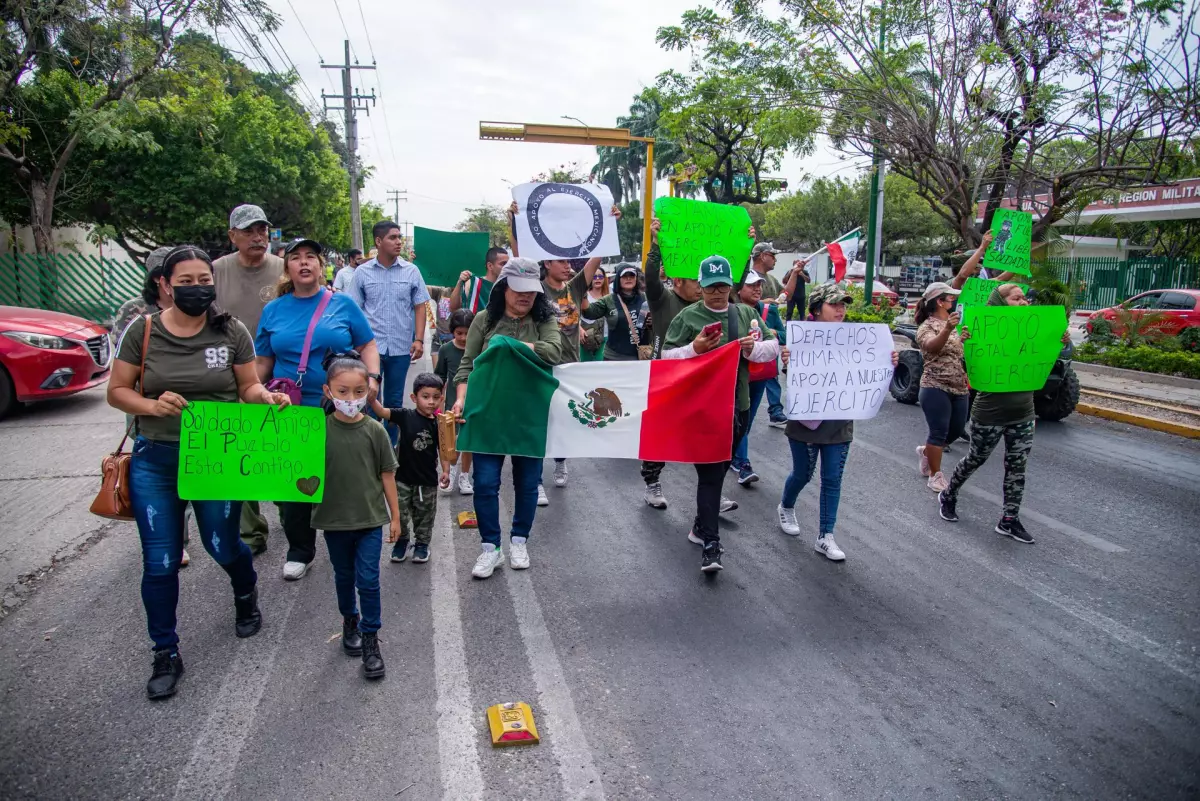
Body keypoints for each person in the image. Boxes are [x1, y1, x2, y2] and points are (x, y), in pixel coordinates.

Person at [107, 245, 291, 700]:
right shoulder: (142, 331)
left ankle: (245, 591)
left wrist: (266, 398)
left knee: (221, 544)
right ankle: (165, 651)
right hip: (156, 460)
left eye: (203, 280)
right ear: (164, 285)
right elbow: (116, 391)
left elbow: (248, 386)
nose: (196, 289)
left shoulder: (232, 332)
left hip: (217, 458)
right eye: (184, 282)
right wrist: (151, 404)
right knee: (161, 560)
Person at [254, 238, 380, 581]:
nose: (304, 263)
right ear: (288, 267)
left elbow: (367, 344)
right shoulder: (273, 310)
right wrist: (250, 395)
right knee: (294, 485)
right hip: (288, 411)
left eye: (311, 257)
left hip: (340, 408)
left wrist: (373, 378)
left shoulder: (342, 304)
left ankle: (351, 542)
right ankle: (300, 550)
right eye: (296, 258)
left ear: (322, 265)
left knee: (345, 479)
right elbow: (263, 360)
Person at [661, 254, 785, 573]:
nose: (717, 292)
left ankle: (700, 527)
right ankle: (712, 544)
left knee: (719, 470)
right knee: (712, 474)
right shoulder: (688, 317)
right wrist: (696, 349)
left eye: (722, 286)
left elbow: (772, 346)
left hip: (737, 407)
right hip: (701, 410)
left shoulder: (744, 312)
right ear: (701, 288)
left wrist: (750, 349)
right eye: (711, 287)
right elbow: (667, 357)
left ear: (731, 286)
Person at [451, 258, 561, 579]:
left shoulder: (544, 320)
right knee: (485, 484)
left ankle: (519, 541)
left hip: (530, 414)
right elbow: (467, 364)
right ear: (503, 288)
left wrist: (511, 344)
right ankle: (490, 548)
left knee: (528, 484)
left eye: (531, 291)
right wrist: (460, 400)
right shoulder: (484, 320)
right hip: (487, 411)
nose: (526, 297)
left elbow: (554, 352)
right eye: (519, 290)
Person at [938, 284, 1070, 543]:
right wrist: (963, 342)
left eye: (1025, 298)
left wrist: (1062, 340)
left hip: (1023, 413)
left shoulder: (1033, 330)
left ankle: (1009, 520)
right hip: (990, 413)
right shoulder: (979, 329)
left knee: (1017, 467)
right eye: (1016, 298)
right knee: (976, 459)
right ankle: (949, 494)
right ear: (999, 301)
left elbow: (1050, 358)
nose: (1024, 303)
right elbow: (964, 364)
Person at [777, 283, 899, 562]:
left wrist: (889, 359)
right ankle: (786, 506)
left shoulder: (858, 338)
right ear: (817, 309)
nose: (841, 309)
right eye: (835, 304)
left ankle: (825, 535)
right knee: (803, 474)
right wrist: (789, 359)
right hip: (806, 420)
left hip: (839, 421)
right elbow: (793, 373)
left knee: (832, 480)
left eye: (844, 304)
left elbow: (872, 366)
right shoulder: (801, 338)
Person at [508, 203, 612, 500]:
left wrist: (609, 222)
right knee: (541, 419)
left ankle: (561, 463)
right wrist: (514, 220)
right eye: (561, 261)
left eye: (569, 261)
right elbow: (519, 257)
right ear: (546, 265)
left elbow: (597, 256)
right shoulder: (536, 288)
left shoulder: (576, 286)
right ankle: (537, 479)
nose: (568, 266)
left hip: (571, 365)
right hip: (542, 363)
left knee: (564, 420)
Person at [639, 220, 741, 516]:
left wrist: (744, 246)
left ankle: (712, 491)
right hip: (666, 374)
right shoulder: (662, 299)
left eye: (703, 283)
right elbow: (650, 276)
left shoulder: (711, 304)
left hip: (702, 380)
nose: (701, 287)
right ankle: (652, 481)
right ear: (677, 281)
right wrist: (656, 245)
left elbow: (732, 283)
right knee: (661, 431)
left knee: (705, 434)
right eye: (695, 282)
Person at [310, 350, 399, 680]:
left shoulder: (375, 431)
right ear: (328, 391)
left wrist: (396, 518)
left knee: (369, 580)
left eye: (358, 392)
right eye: (343, 392)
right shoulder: (316, 432)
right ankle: (350, 620)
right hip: (334, 521)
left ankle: (371, 638)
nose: (350, 399)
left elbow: (387, 474)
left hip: (369, 521)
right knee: (344, 577)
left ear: (369, 391)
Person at [113, 247, 198, 568]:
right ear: (160, 281)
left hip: (192, 416)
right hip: (148, 415)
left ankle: (181, 535)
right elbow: (123, 371)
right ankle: (171, 540)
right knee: (161, 479)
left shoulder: (202, 311)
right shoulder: (135, 314)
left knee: (187, 476)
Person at [212, 203, 286, 555]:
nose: (258, 237)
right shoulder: (216, 271)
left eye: (263, 230)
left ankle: (294, 522)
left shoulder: (283, 269)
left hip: (279, 377)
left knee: (279, 455)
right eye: (249, 231)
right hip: (228, 376)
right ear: (232, 236)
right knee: (239, 456)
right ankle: (251, 532)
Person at [348, 220, 431, 446]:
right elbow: (353, 309)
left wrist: (419, 339)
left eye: (399, 237)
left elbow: (420, 306)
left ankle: (390, 449)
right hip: (368, 348)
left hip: (400, 348)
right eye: (393, 238)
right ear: (378, 241)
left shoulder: (411, 271)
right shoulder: (362, 273)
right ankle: (371, 446)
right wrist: (354, 344)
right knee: (370, 398)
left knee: (394, 403)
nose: (398, 242)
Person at [371, 373, 451, 564]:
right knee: (400, 512)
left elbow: (444, 449)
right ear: (414, 398)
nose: (431, 402)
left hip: (427, 481)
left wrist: (446, 471)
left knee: (425, 515)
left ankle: (422, 545)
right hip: (402, 479)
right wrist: (371, 398)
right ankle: (402, 541)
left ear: (442, 398)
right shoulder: (405, 415)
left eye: (435, 397)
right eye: (425, 396)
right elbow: (382, 412)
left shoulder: (439, 424)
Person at [729, 270, 786, 485]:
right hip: (738, 374)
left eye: (759, 285)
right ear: (739, 289)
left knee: (748, 419)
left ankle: (736, 455)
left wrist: (770, 332)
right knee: (739, 416)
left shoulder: (768, 310)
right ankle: (742, 463)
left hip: (761, 373)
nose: (757, 289)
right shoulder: (729, 311)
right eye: (751, 285)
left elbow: (783, 335)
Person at [913, 281, 969, 492]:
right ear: (940, 301)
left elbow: (955, 351)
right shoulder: (927, 326)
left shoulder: (954, 324)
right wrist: (947, 329)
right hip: (935, 386)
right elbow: (932, 347)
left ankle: (927, 452)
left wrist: (961, 339)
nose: (954, 302)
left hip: (959, 386)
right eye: (950, 299)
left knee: (955, 430)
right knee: (938, 432)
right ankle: (935, 475)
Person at [435, 309, 475, 494]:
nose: (463, 337)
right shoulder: (446, 349)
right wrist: (437, 400)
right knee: (453, 440)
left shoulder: (478, 349)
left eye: (468, 333)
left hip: (474, 400)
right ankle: (449, 471)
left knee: (469, 441)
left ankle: (464, 476)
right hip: (453, 401)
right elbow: (440, 376)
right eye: (459, 333)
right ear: (452, 331)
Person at [581, 264, 648, 361]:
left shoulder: (645, 298)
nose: (628, 278)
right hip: (614, 358)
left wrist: (650, 322)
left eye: (632, 275)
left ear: (636, 278)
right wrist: (582, 291)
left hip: (641, 356)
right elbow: (588, 312)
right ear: (618, 279)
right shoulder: (609, 300)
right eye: (624, 276)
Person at [449, 246, 510, 314]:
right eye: (503, 264)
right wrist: (459, 282)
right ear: (490, 266)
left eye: (508, 264)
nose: (507, 267)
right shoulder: (473, 283)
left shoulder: (508, 288)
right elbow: (453, 308)